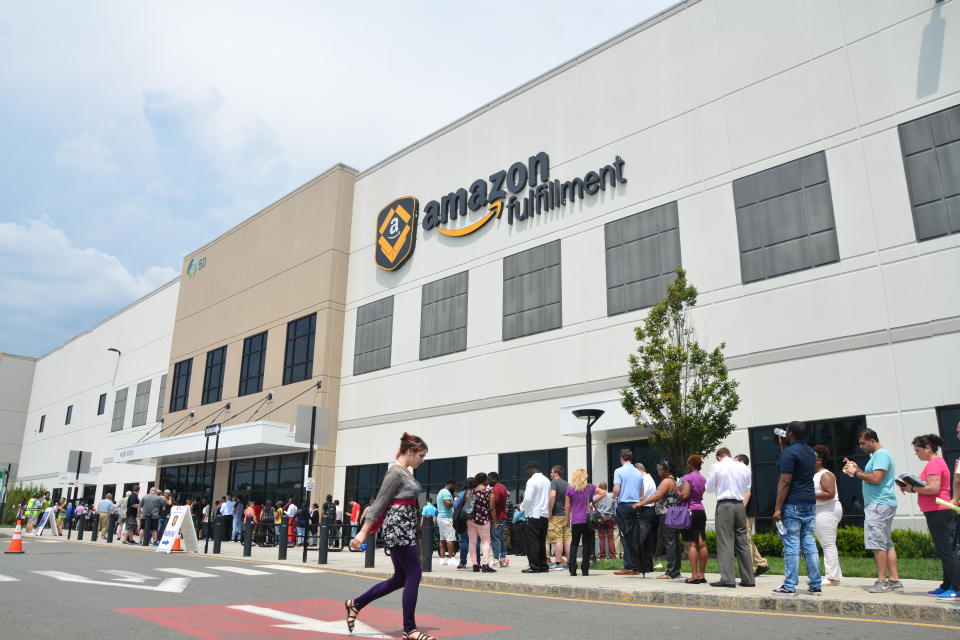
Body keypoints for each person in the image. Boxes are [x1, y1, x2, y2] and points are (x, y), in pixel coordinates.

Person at [347, 432, 435, 640]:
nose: (422, 460)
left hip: (405, 527)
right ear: (411, 451)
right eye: (421, 455)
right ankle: (409, 629)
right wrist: (363, 532)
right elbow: (380, 501)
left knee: (400, 578)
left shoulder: (405, 471)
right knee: (415, 573)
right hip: (399, 527)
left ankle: (356, 603)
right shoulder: (395, 472)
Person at [844, 429, 902, 593]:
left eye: (863, 443)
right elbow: (873, 476)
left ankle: (882, 581)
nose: (861, 447)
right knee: (886, 542)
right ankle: (895, 581)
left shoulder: (881, 455)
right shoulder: (877, 456)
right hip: (882, 504)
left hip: (878, 505)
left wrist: (856, 473)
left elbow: (876, 479)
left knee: (877, 543)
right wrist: (857, 470)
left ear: (872, 440)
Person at [902, 434, 959, 601]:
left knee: (946, 551)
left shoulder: (934, 464)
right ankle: (947, 585)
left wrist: (912, 488)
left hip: (938, 510)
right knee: (944, 551)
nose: (916, 454)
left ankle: (957, 588)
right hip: (936, 510)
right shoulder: (935, 463)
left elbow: (933, 489)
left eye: (918, 450)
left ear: (928, 447)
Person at [771, 421, 822, 595]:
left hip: (792, 504)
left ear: (790, 433)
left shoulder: (789, 453)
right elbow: (794, 461)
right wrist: (783, 445)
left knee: (791, 543)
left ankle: (789, 585)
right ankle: (815, 583)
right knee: (808, 542)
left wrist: (778, 508)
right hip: (809, 502)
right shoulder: (810, 452)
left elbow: (785, 481)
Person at [705, 448, 754, 588]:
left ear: (718, 457)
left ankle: (727, 579)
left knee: (725, 541)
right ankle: (748, 578)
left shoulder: (717, 466)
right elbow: (746, 486)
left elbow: (709, 488)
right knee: (742, 542)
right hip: (739, 505)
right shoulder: (742, 467)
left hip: (724, 504)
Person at [636, 461, 681, 580]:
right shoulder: (674, 481)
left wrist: (641, 503)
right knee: (674, 542)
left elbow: (657, 496)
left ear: (667, 470)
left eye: (661, 470)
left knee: (669, 543)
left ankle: (671, 571)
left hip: (667, 515)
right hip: (673, 514)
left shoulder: (667, 481)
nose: (659, 472)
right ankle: (676, 570)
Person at [812, 445, 843, 586]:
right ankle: (833, 575)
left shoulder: (825, 474)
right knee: (826, 543)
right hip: (820, 510)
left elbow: (830, 493)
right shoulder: (815, 474)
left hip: (827, 510)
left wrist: (809, 495)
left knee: (828, 543)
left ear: (818, 460)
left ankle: (832, 577)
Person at [611, 449, 645, 576]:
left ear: (621, 458)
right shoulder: (638, 473)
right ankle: (637, 566)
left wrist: (613, 496)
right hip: (636, 505)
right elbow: (642, 494)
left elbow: (616, 489)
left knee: (625, 536)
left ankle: (629, 565)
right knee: (635, 536)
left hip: (624, 506)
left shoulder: (619, 471)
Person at [735, 454, 769, 577]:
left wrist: (740, 508)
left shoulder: (745, 474)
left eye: (736, 461)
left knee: (745, 539)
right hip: (748, 511)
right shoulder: (745, 474)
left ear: (742, 462)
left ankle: (749, 569)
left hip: (747, 511)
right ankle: (762, 563)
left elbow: (747, 494)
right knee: (747, 538)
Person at [564, 468, 596, 577]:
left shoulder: (570, 489)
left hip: (576, 520)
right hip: (587, 520)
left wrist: (566, 520)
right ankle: (585, 569)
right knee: (587, 544)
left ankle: (572, 569)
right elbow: (603, 493)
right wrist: (591, 502)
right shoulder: (590, 487)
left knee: (574, 543)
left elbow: (567, 506)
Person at [520, 461, 551, 574]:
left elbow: (528, 499)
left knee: (532, 541)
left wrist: (522, 508)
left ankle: (534, 566)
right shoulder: (547, 480)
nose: (527, 473)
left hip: (534, 514)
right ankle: (543, 565)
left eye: (527, 470)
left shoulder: (532, 481)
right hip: (544, 514)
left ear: (532, 469)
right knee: (541, 541)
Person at [467, 472, 497, 572]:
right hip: (483, 519)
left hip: (470, 519)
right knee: (486, 541)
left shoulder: (471, 491)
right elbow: (492, 508)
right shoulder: (488, 491)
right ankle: (485, 564)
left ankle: (475, 564)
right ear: (484, 481)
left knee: (472, 542)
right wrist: (495, 522)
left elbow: (467, 504)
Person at [547, 465, 571, 571]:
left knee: (557, 539)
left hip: (556, 515)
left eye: (551, 472)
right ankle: (570, 562)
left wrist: (549, 511)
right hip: (566, 515)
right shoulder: (567, 484)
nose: (550, 474)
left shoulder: (554, 483)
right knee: (567, 539)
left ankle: (558, 563)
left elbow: (552, 496)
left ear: (556, 473)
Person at [489, 471, 509, 568]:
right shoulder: (503, 487)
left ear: (494, 479)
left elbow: (493, 504)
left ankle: (496, 559)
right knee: (500, 539)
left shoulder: (495, 489)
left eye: (489, 479)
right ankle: (502, 559)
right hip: (502, 516)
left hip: (496, 517)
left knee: (495, 539)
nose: (488, 482)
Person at [435, 480, 457, 565]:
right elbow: (448, 504)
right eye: (454, 485)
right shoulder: (446, 492)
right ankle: (451, 558)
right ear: (451, 484)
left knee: (442, 539)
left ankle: (442, 559)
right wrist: (456, 501)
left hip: (441, 517)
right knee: (450, 539)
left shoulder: (441, 491)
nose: (454, 488)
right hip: (447, 518)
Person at [592, 482, 616, 560]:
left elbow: (593, 507)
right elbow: (615, 507)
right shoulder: (612, 496)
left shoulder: (596, 497)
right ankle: (612, 556)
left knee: (601, 538)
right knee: (611, 538)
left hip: (601, 518)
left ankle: (602, 556)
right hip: (610, 517)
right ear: (606, 487)